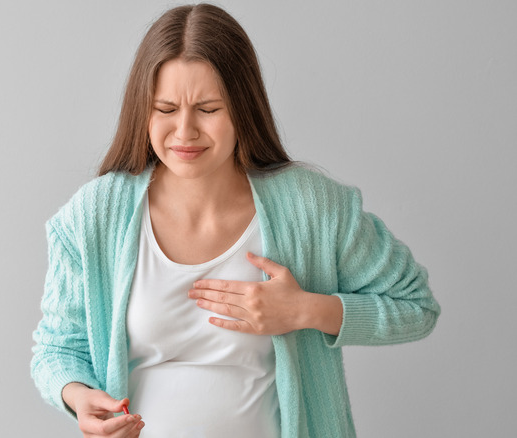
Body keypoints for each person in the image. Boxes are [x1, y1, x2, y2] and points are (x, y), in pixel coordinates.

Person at [31, 4, 440, 437]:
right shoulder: (96, 216)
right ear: (142, 111)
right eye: (165, 108)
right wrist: (77, 396)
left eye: (207, 109)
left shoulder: (312, 208)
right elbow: (56, 348)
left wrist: (306, 310)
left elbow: (416, 306)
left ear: (243, 108)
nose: (184, 131)